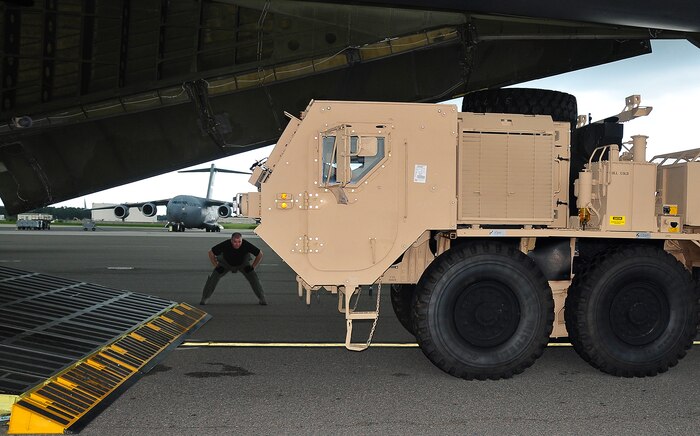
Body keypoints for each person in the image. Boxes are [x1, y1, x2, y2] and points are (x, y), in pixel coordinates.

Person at [200, 232, 267, 305]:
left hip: (243, 264)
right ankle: (205, 298)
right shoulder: (226, 244)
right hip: (225, 264)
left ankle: (262, 298)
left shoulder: (246, 244)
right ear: (231, 240)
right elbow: (210, 252)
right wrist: (216, 266)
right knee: (213, 278)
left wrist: (253, 267)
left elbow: (260, 254)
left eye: (239, 242)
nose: (237, 244)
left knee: (254, 277)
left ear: (242, 240)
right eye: (235, 241)